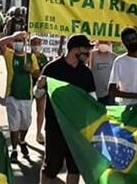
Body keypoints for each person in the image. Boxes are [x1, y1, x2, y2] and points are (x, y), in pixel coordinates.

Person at [39, 34, 95, 184]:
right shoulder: (52, 68)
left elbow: (92, 100)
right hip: (55, 128)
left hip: (77, 129)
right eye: (86, 49)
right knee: (51, 167)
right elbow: (38, 95)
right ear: (75, 49)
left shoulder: (86, 73)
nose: (88, 53)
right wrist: (39, 86)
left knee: (75, 168)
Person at [0, 31, 40, 162]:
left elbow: (37, 73)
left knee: (25, 123)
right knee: (14, 125)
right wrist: (14, 36)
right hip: (12, 96)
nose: (19, 42)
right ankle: (14, 150)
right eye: (17, 41)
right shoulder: (9, 55)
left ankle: (22, 140)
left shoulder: (30, 56)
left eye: (21, 40)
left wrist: (31, 70)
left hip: (27, 96)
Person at [30, 36, 50, 145]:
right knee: (26, 112)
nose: (36, 45)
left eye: (38, 43)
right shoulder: (27, 57)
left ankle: (38, 133)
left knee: (41, 110)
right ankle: (22, 133)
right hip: (28, 87)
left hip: (40, 88)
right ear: (30, 44)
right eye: (34, 43)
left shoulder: (44, 58)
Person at [90, 40, 116, 105]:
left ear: (109, 43)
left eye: (106, 42)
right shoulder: (92, 54)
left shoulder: (114, 56)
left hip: (108, 93)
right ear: (98, 43)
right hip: (94, 92)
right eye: (101, 42)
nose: (103, 44)